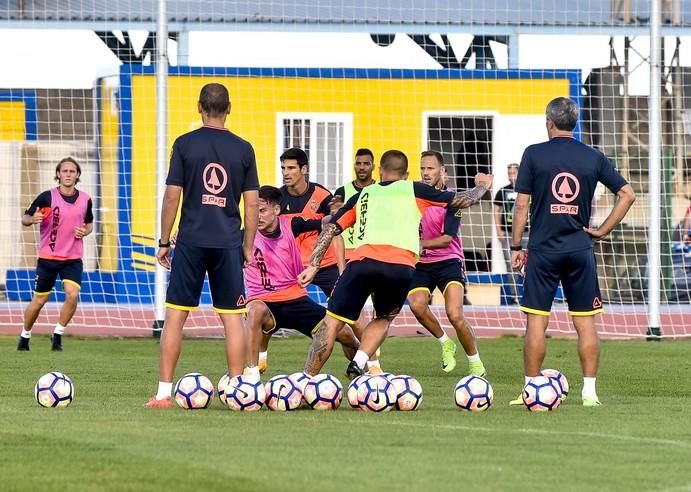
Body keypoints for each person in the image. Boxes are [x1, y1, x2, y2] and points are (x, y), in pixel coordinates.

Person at [297, 149, 492, 378]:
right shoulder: (414, 189)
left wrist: (314, 265)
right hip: (400, 268)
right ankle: (360, 360)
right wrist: (481, 186)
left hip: (362, 263)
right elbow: (461, 200)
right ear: (407, 174)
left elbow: (331, 228)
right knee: (383, 318)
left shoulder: (363, 194)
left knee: (331, 323)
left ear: (379, 171)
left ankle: (306, 379)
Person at [509, 97, 636, 407]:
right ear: (574, 123)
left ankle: (530, 390)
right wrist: (603, 230)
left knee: (537, 322)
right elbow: (627, 194)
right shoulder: (592, 156)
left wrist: (515, 246)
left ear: (549, 122)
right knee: (585, 324)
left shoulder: (534, 154)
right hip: (580, 248)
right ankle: (589, 394)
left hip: (543, 250)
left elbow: (522, 204)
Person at [146, 83, 259, 408]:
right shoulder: (244, 149)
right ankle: (238, 392)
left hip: (191, 241)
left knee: (175, 317)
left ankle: (164, 394)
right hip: (227, 242)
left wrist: (165, 242)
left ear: (199, 107)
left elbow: (172, 196)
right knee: (232, 319)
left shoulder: (184, 144)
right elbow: (251, 205)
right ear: (229, 108)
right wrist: (248, 246)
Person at [244, 186, 359, 377]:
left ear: (276, 210)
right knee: (254, 310)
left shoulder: (292, 224)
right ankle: (252, 376)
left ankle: (365, 369)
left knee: (346, 335)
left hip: (296, 300)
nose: (257, 216)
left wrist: (335, 215)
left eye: (262, 210)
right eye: (254, 211)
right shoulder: (244, 235)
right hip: (265, 303)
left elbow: (325, 224)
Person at [407, 150, 486, 375]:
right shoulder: (415, 196)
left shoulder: (453, 199)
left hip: (449, 260)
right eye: (422, 168)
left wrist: (421, 243)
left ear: (443, 172)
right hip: (422, 263)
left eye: (430, 168)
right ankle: (445, 342)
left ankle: (475, 362)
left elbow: (447, 239)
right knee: (416, 305)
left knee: (455, 314)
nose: (425, 173)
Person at [17, 157, 93, 352]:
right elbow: (25, 218)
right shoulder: (46, 197)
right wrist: (32, 218)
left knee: (72, 294)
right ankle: (25, 335)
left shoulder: (85, 199)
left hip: (73, 259)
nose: (68, 174)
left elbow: (89, 223)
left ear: (77, 175)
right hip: (48, 259)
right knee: (40, 300)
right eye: (64, 171)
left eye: (72, 171)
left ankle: (58, 334)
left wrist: (85, 231)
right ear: (58, 174)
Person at [493, 162, 527, 304]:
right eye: (509, 173)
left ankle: (529, 295)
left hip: (528, 233)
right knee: (511, 265)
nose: (511, 176)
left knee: (530, 265)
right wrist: (499, 230)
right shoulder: (503, 191)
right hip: (508, 233)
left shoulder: (527, 190)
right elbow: (496, 210)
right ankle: (514, 297)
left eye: (514, 173)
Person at [334, 148, 376, 260]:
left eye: (366, 164)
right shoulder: (341, 192)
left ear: (373, 167)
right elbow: (333, 225)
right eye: (358, 163)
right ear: (354, 166)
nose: (362, 167)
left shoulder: (380, 191)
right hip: (346, 254)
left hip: (372, 253)